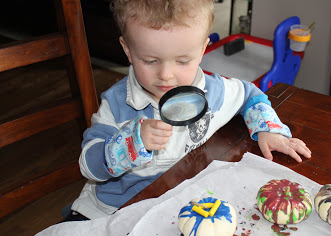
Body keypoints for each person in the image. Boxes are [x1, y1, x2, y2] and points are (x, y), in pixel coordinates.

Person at [64, 0, 311, 221]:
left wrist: (268, 130)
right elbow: (88, 166)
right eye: (150, 61)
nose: (166, 75)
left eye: (182, 61)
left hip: (179, 202)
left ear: (202, 49)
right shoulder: (119, 104)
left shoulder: (213, 92)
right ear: (128, 49)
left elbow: (250, 94)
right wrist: (129, 144)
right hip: (116, 211)